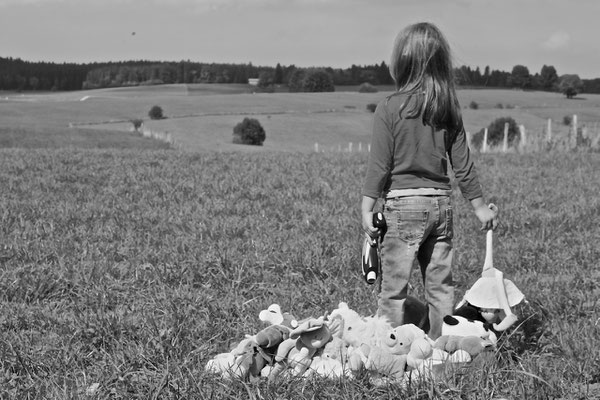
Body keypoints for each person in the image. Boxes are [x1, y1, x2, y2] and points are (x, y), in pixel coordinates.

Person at [361, 22, 498, 339]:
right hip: (441, 207)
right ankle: (442, 352)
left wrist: (367, 206)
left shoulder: (389, 107)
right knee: (440, 288)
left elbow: (379, 165)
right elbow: (462, 162)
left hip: (403, 209)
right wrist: (479, 207)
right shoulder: (447, 106)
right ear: (441, 64)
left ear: (402, 63)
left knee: (393, 289)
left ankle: (391, 356)